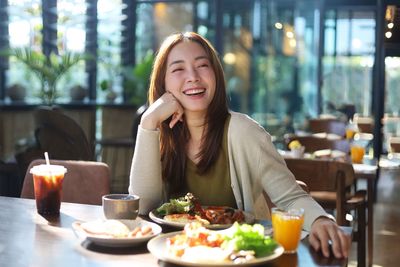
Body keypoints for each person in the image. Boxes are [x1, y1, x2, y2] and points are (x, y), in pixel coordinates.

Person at [129, 32, 351, 258]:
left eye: (202, 65)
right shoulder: (159, 134)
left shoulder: (243, 131)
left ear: (215, 74)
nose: (193, 76)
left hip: (238, 257)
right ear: (163, 83)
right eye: (178, 69)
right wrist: (148, 122)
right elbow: (144, 208)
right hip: (177, 255)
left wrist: (321, 220)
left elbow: (291, 197)